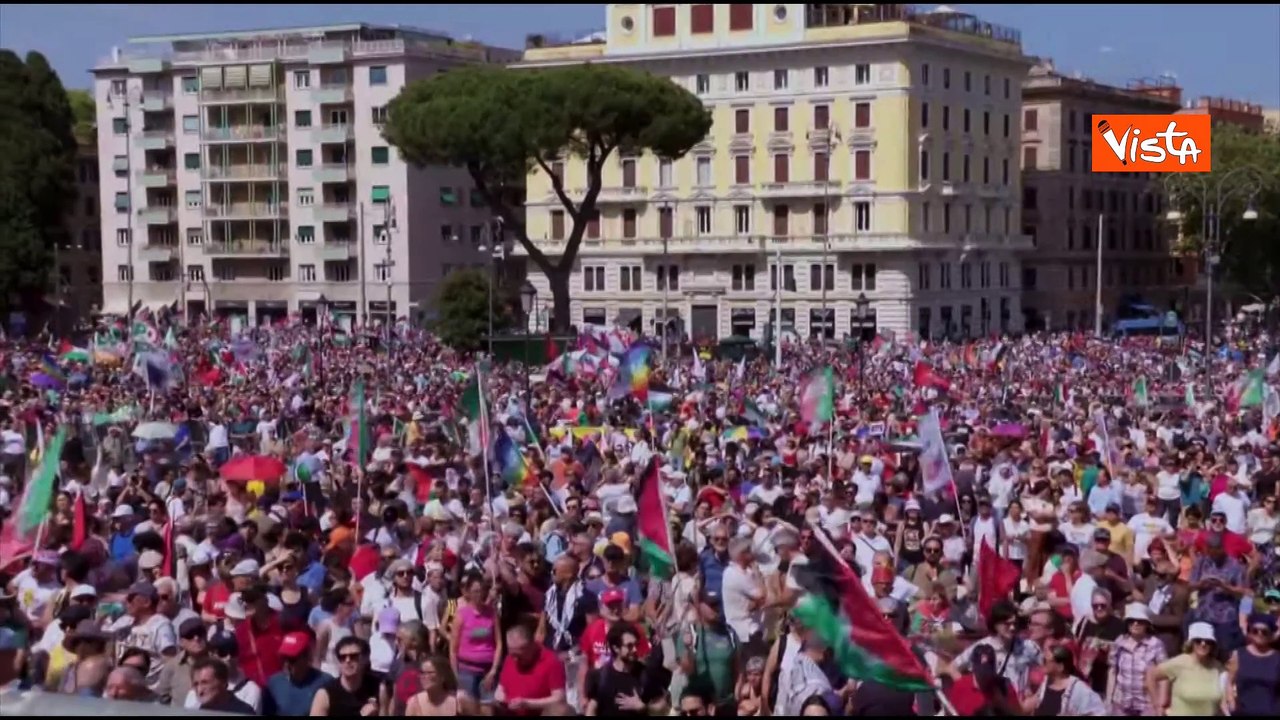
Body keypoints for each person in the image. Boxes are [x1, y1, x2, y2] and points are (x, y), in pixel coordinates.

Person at [1145, 621, 1227, 716]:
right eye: (1198, 640)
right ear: (1191, 643)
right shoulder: (1179, 663)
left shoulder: (1218, 667)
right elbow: (1151, 675)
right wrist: (1157, 704)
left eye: (1208, 641)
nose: (1203, 644)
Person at [1105, 603, 1167, 716]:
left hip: (1147, 703)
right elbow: (1112, 671)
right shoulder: (1119, 642)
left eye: (1140, 621)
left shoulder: (1155, 644)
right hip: (1122, 702)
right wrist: (1109, 700)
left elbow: (1164, 676)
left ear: (1147, 624)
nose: (1135, 623)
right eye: (1132, 620)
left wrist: (1160, 704)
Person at [496, 623, 568, 715]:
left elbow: (559, 698)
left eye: (519, 655)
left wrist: (528, 703)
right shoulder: (509, 659)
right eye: (512, 654)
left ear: (532, 646)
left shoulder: (551, 661)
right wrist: (503, 699)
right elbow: (500, 690)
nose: (515, 659)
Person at [584, 623, 647, 716]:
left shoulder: (644, 674)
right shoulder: (600, 677)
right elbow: (591, 710)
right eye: (629, 646)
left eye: (635, 644)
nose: (634, 649)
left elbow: (662, 707)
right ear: (616, 648)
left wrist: (642, 707)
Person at [1025, 644, 1107, 715]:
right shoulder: (1045, 684)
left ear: (1060, 667)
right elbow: (1027, 706)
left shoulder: (1079, 690)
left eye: (1045, 660)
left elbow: (1099, 712)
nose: (1042, 663)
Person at [264, 631, 332, 716]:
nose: (286, 664)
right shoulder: (274, 683)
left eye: (292, 659)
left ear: (307, 656)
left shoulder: (326, 682)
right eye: (284, 658)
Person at [310, 636, 381, 717]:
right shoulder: (325, 694)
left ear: (365, 659)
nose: (347, 660)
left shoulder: (377, 688)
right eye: (342, 657)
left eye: (354, 656)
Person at [1224, 613, 1280, 717]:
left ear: (1271, 634)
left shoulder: (1277, 658)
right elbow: (1229, 682)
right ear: (1249, 632)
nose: (1259, 634)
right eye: (1255, 630)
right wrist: (1231, 702)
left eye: (1264, 631)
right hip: (1243, 713)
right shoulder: (1238, 654)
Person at [405, 654, 475, 716]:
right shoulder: (414, 703)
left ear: (443, 676)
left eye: (430, 673)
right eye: (422, 673)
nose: (425, 676)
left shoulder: (459, 699)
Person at [192, 657, 257, 714]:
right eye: (196, 684)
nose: (200, 690)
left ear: (223, 682)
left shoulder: (243, 712)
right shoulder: (196, 712)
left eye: (205, 683)